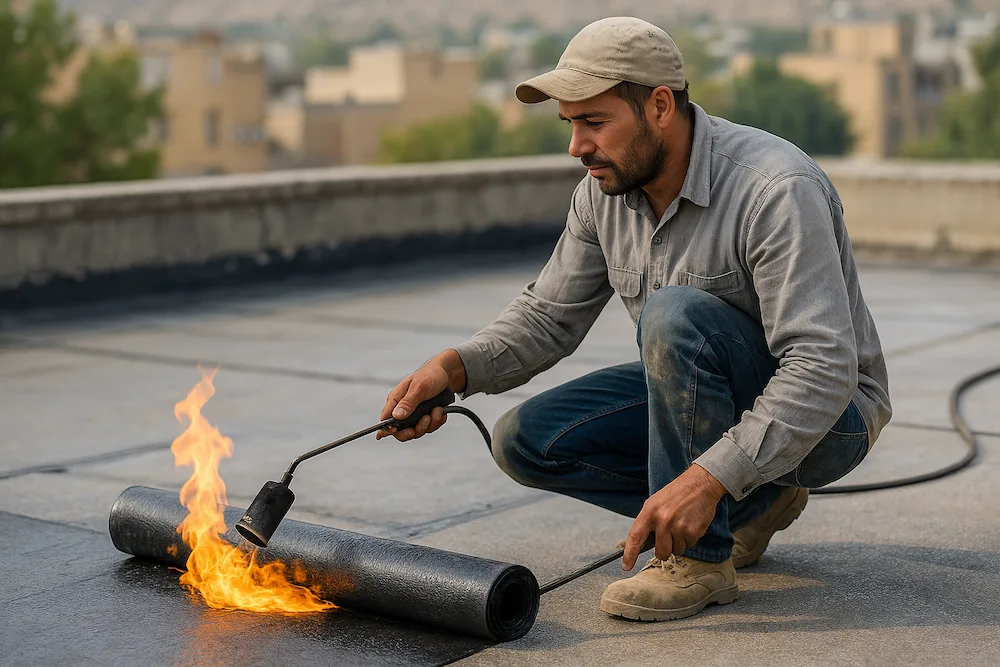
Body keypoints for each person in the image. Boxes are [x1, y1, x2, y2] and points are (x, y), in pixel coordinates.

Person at [376, 16, 891, 622]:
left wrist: (707, 479)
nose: (577, 146)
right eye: (571, 124)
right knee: (526, 441)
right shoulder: (603, 191)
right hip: (722, 402)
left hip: (832, 418)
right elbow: (548, 316)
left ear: (661, 107)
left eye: (594, 122)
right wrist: (454, 369)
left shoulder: (774, 187)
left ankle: (701, 558)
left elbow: (822, 367)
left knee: (674, 314)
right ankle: (753, 505)